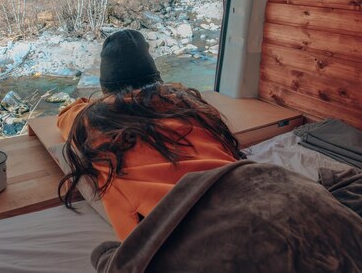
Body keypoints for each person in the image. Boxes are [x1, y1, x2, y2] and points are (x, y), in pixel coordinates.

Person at [57, 29, 243, 240]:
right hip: (245, 191)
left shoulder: (93, 121)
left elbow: (64, 116)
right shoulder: (190, 104)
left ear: (105, 91)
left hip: (183, 232)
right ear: (157, 80)